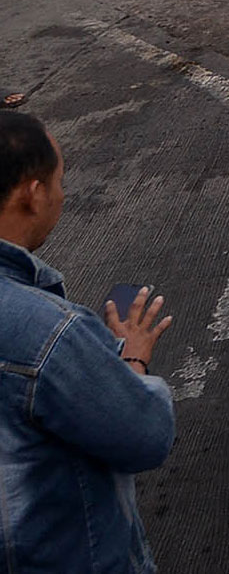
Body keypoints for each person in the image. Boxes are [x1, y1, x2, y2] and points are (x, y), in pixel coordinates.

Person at [0, 111, 176, 573]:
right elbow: (144, 436)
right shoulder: (48, 333)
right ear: (32, 195)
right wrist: (131, 362)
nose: (62, 194)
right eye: (58, 181)